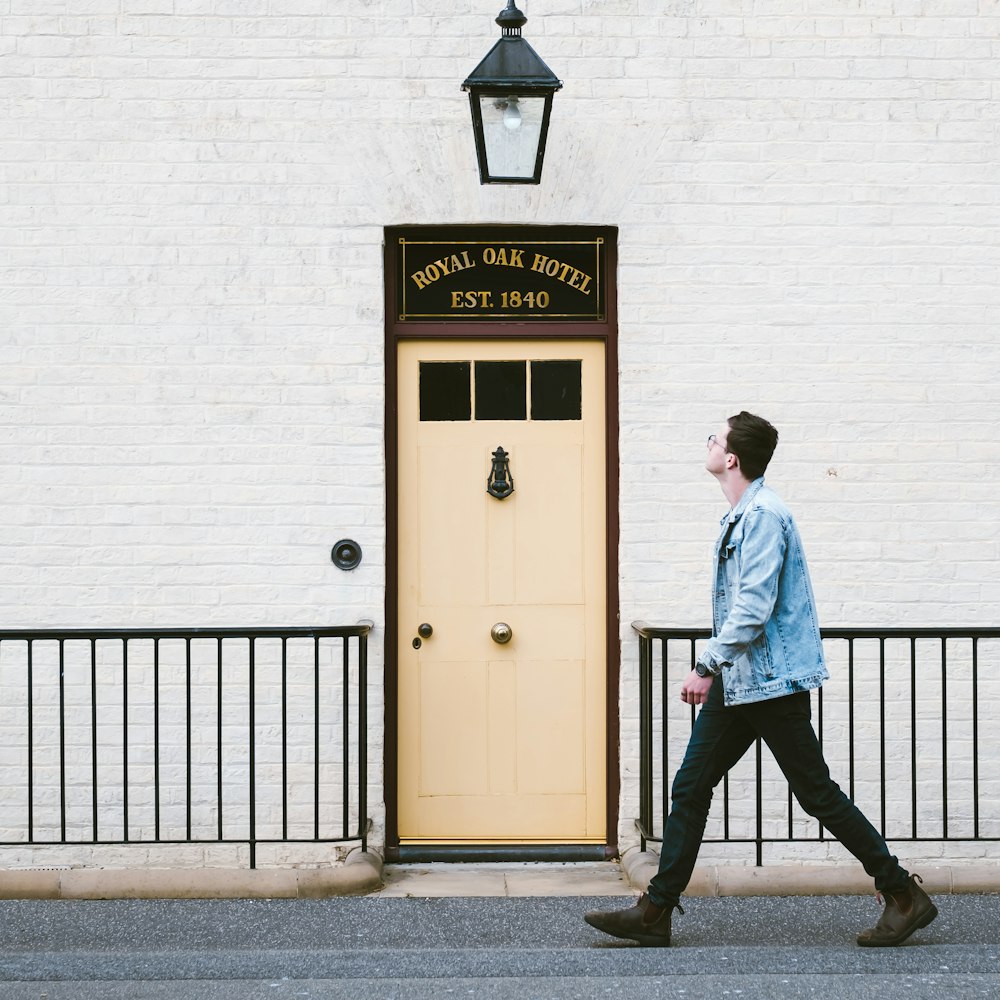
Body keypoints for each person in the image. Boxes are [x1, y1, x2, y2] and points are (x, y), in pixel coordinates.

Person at [585, 411, 938, 948]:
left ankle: (903, 893)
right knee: (691, 785)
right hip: (745, 680)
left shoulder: (764, 516)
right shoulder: (743, 515)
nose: (707, 442)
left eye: (715, 438)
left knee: (816, 794)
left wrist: (706, 666)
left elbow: (752, 606)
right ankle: (655, 910)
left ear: (731, 458)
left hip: (771, 682)